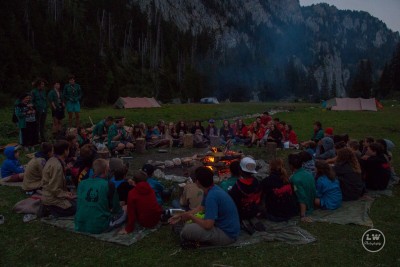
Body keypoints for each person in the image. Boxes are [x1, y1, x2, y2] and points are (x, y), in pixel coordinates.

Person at [169, 167, 240, 247]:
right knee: (190, 224)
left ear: (198, 182)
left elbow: (208, 225)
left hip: (227, 235)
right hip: (226, 229)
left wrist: (191, 217)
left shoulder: (212, 196)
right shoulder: (212, 189)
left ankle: (191, 239)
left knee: (187, 230)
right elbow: (200, 208)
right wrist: (181, 215)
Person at [75, 159, 122, 234]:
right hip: (100, 225)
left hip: (80, 224)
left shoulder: (82, 183)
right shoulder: (109, 185)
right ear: (106, 170)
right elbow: (116, 208)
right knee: (124, 212)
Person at [41, 140, 76, 217]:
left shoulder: (54, 159)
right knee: (75, 208)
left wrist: (66, 193)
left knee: (75, 201)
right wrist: (65, 195)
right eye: (68, 149)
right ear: (65, 151)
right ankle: (50, 209)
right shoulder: (57, 166)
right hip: (51, 197)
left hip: (53, 193)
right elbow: (54, 188)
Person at [229, 157, 262, 234]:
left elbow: (234, 202)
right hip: (254, 209)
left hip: (241, 212)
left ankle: (243, 220)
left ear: (240, 171)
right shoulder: (256, 182)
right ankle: (251, 218)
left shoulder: (238, 185)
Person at [288, 153, 316, 222]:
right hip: (311, 204)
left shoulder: (294, 179)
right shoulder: (309, 174)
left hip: (305, 208)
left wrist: (303, 215)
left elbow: (301, 197)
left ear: (291, 165)